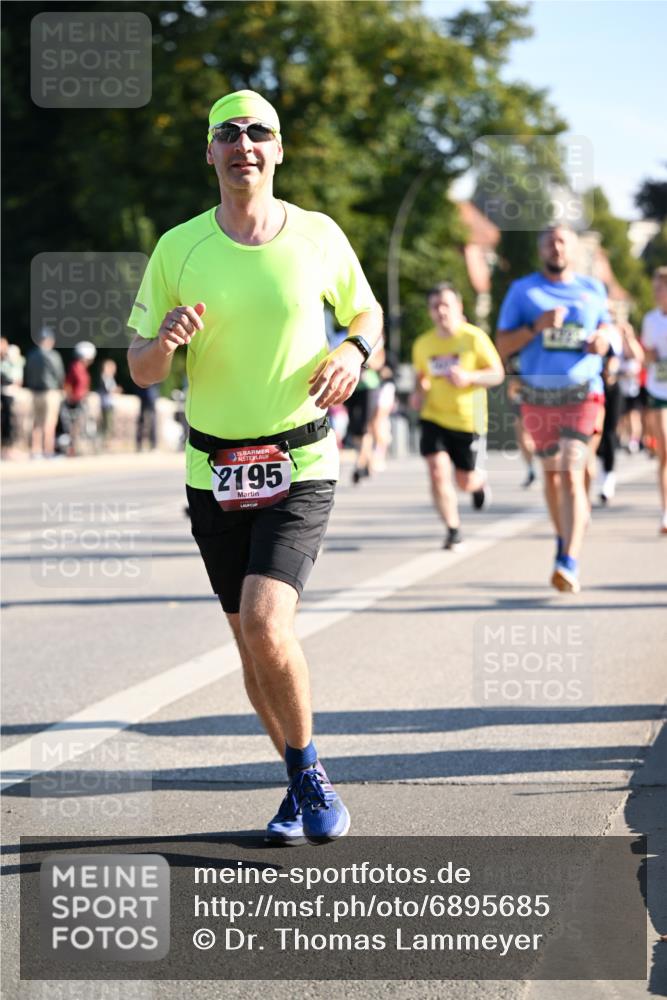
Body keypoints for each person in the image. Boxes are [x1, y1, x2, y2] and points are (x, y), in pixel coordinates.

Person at [126, 90, 382, 844]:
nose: (244, 144)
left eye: (258, 132)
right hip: (213, 472)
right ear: (208, 152)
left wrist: (352, 350)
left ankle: (308, 776)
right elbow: (140, 369)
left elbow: (365, 312)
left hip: (298, 459)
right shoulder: (178, 248)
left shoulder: (317, 235)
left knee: (269, 623)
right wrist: (165, 342)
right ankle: (294, 783)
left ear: (278, 149)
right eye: (227, 134)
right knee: (249, 640)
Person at [496, 224, 612, 593]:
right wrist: (536, 326)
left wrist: (602, 341)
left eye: (562, 241)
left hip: (583, 393)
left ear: (573, 249)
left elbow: (608, 330)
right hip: (538, 397)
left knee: (571, 469)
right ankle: (565, 540)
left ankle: (568, 559)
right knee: (552, 476)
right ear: (541, 249)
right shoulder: (522, 291)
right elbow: (501, 344)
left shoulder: (593, 289)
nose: (556, 247)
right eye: (549, 241)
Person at [411, 282, 504, 550]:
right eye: (435, 306)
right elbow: (421, 379)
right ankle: (453, 529)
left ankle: (479, 485)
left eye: (446, 305)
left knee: (465, 482)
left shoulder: (473, 338)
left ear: (458, 307)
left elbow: (497, 374)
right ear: (430, 312)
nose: (441, 311)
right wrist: (419, 392)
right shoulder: (422, 344)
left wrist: (470, 377)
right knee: (437, 472)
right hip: (434, 417)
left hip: (468, 421)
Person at [641, 266, 667, 534]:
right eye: (656, 288)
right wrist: (650, 356)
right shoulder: (650, 319)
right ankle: (665, 512)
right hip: (659, 389)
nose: (657, 292)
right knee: (665, 451)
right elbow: (647, 355)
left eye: (661, 287)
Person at [22, 328, 65, 458]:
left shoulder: (31, 355)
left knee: (36, 423)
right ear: (49, 340)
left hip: (35, 392)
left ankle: (36, 450)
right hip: (50, 392)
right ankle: (48, 450)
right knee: (50, 423)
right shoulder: (53, 355)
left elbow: (27, 373)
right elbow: (59, 374)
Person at [62, 341, 96, 455]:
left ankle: (76, 448)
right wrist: (71, 397)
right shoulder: (76, 367)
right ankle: (73, 448)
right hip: (76, 401)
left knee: (79, 426)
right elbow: (69, 384)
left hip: (81, 400)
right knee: (74, 426)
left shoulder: (80, 368)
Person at [1, 338, 24, 458]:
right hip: (6, 395)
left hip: (11, 395)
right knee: (7, 423)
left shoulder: (11, 363)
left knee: (11, 424)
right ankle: (7, 450)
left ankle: (9, 449)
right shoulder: (5, 363)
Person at [98, 358, 122, 443]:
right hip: (106, 404)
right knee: (107, 425)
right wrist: (117, 390)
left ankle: (105, 441)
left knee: (108, 424)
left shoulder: (109, 378)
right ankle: (104, 442)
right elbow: (109, 389)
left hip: (108, 403)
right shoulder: (106, 377)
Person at [135, 383, 159, 451]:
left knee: (151, 421)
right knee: (143, 421)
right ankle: (140, 445)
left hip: (150, 395)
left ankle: (152, 445)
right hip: (146, 395)